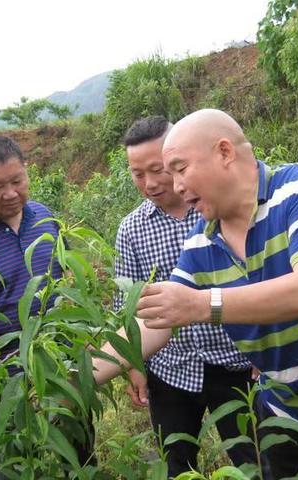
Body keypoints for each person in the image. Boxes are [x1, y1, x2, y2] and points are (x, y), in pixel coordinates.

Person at [94, 109, 298, 479]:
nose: (176, 185)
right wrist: (71, 382)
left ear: (224, 152)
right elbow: (153, 322)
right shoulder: (201, 243)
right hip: (289, 419)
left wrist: (202, 304)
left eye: (180, 169)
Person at [0, 135, 92, 478]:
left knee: (79, 461)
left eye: (17, 181)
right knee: (13, 467)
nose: (10, 193)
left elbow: (66, 282)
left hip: (60, 370)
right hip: (0, 383)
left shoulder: (44, 218)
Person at [115, 116, 257, 476]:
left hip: (235, 360)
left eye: (158, 169)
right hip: (171, 367)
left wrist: (266, 349)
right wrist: (133, 365)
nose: (150, 183)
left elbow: (259, 282)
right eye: (137, 174)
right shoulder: (132, 229)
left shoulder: (218, 209)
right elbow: (127, 306)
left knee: (254, 456)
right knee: (176, 462)